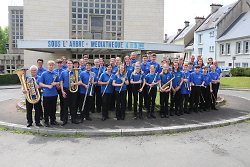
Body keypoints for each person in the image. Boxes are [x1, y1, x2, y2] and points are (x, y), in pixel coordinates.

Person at [39, 60, 60, 127]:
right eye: (50, 65)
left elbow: (59, 82)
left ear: (53, 66)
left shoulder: (55, 73)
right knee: (46, 108)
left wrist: (55, 83)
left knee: (53, 108)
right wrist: (48, 86)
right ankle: (46, 121)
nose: (51, 66)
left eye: (52, 65)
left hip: (54, 93)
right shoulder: (44, 74)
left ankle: (53, 120)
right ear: (47, 66)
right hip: (46, 94)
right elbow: (40, 83)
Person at [60, 59, 80, 125]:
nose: (69, 65)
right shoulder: (63, 72)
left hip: (74, 90)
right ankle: (65, 120)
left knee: (73, 105)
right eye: (68, 63)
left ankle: (73, 119)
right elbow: (61, 82)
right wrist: (62, 91)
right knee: (65, 106)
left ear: (72, 64)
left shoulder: (75, 72)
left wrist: (74, 84)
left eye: (70, 63)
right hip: (66, 89)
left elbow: (80, 82)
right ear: (67, 64)